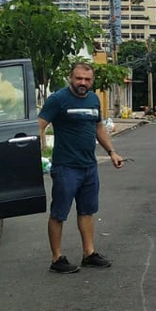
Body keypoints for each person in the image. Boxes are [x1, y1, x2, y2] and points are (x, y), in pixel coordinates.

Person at [38, 62, 125, 274]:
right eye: (79, 78)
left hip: (89, 167)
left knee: (87, 211)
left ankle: (89, 253)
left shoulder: (94, 99)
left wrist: (112, 152)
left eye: (87, 79)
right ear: (71, 77)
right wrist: (35, 153)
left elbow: (98, 127)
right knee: (59, 213)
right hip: (65, 167)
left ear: (92, 80)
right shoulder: (58, 100)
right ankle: (57, 258)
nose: (83, 83)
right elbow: (39, 126)